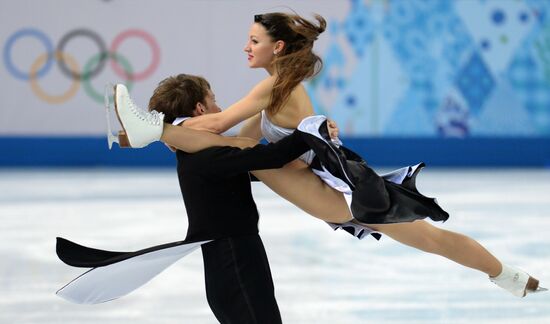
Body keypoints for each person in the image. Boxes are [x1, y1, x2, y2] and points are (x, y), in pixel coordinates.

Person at [111, 12, 545, 298]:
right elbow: (234, 142)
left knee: (428, 238)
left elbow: (222, 130)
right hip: (319, 185)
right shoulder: (273, 85)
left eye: (253, 40)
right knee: (426, 239)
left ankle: (505, 275)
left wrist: (163, 131)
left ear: (276, 47)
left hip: (331, 191)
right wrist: (173, 135)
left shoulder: (275, 84)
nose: (246, 47)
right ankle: (507, 276)